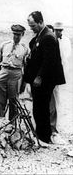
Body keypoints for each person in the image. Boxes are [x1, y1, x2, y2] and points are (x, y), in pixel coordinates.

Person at [23, 11, 65, 144]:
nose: (32, 28)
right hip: (39, 80)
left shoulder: (48, 37)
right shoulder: (40, 35)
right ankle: (41, 135)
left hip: (44, 80)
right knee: (39, 108)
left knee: (42, 108)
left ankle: (44, 137)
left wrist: (39, 77)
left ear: (41, 22)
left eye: (34, 26)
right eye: (30, 26)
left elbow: (49, 61)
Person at [0, 24, 29, 121]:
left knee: (14, 101)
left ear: (22, 35)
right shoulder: (4, 45)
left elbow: (26, 66)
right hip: (4, 71)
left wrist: (24, 83)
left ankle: (12, 124)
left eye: (18, 35)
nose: (16, 37)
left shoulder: (24, 48)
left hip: (16, 74)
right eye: (14, 34)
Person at [49, 22, 71, 144]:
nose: (59, 33)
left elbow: (65, 59)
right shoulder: (50, 40)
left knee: (55, 103)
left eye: (61, 30)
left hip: (56, 77)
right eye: (57, 30)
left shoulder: (65, 41)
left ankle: (54, 130)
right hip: (48, 76)